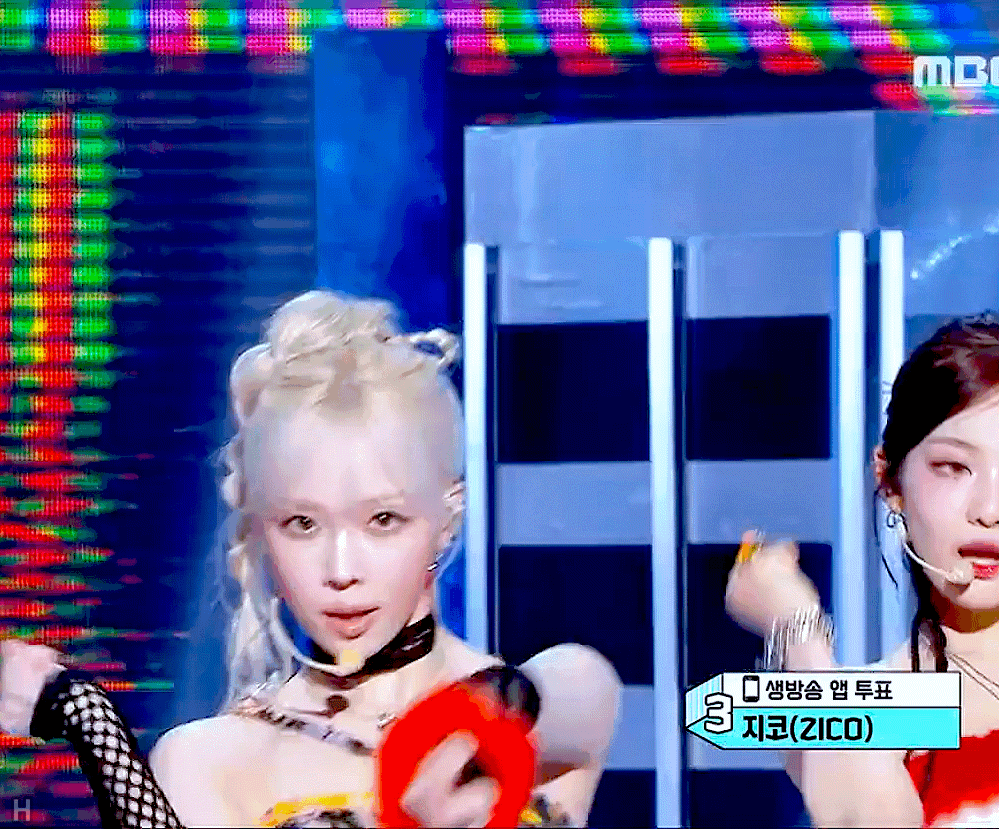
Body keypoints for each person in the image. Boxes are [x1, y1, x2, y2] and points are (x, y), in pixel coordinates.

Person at [0, 290, 621, 828]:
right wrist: (89, 720)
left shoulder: (544, 711)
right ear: (260, 531)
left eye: (383, 520)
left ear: (447, 517)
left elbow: (579, 686)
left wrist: (485, 717)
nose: (341, 570)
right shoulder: (214, 759)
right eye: (302, 524)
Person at [726, 313, 999, 828]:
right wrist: (799, 635)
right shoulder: (847, 709)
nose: (989, 509)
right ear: (890, 480)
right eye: (953, 467)